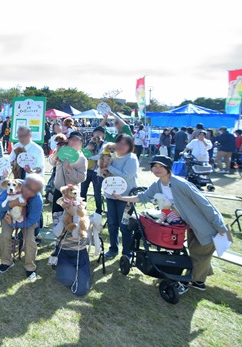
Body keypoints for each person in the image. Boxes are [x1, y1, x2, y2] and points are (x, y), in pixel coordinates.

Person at [114, 155, 227, 293]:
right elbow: (143, 196)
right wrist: (122, 198)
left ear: (168, 168)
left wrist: (220, 226)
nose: (157, 169)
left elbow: (204, 204)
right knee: (197, 252)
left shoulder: (180, 184)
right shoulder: (158, 185)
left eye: (161, 166)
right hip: (189, 225)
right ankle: (199, 280)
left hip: (205, 224)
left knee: (199, 253)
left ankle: (189, 282)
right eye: (154, 166)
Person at [0, 173, 44, 280]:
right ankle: (6, 262)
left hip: (27, 220)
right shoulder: (12, 185)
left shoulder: (37, 199)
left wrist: (14, 224)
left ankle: (30, 268)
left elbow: (32, 219)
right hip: (9, 215)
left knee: (30, 240)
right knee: (5, 236)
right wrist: (13, 203)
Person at [102, 134, 139, 260]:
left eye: (125, 143)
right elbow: (102, 171)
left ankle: (127, 252)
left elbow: (126, 176)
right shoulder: (111, 156)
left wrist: (109, 167)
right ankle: (113, 249)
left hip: (126, 198)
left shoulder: (132, 158)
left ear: (130, 146)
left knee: (125, 225)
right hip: (110, 195)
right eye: (119, 143)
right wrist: (104, 171)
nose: (121, 146)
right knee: (112, 224)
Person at [47, 131, 87, 223]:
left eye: (77, 140)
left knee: (70, 219)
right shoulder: (62, 152)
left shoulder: (81, 158)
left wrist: (69, 169)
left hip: (72, 194)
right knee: (56, 217)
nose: (74, 142)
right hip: (58, 190)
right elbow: (51, 162)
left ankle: (68, 236)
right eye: (72, 139)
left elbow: (82, 177)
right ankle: (58, 235)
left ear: (81, 143)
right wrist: (57, 153)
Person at [52, 214, 92, 296]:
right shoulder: (57, 214)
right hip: (64, 252)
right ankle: (68, 270)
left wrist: (78, 218)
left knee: (82, 290)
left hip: (80, 253)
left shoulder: (83, 214)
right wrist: (64, 217)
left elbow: (86, 237)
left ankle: (75, 271)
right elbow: (56, 233)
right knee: (67, 281)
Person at [80, 126, 106, 215]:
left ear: (104, 135)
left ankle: (99, 211)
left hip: (98, 172)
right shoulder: (88, 142)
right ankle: (82, 209)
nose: (98, 135)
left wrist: (89, 157)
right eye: (96, 132)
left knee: (97, 192)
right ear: (93, 134)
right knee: (83, 191)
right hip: (87, 170)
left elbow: (101, 156)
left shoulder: (105, 144)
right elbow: (82, 154)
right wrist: (88, 147)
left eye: (100, 133)